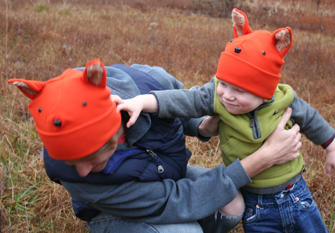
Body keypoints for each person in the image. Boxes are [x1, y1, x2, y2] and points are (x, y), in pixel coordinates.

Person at [115, 9, 335, 233]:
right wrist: (143, 102)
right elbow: (182, 100)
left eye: (239, 90)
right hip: (255, 203)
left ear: (265, 93)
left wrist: (332, 148)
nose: (227, 94)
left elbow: (312, 119)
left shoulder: (284, 98)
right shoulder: (216, 96)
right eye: (224, 83)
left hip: (296, 193)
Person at [8, 58, 302, 233]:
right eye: (74, 162)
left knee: (233, 206)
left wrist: (200, 124)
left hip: (164, 175)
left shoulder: (148, 83)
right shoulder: (77, 177)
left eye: (90, 158)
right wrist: (263, 158)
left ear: (117, 123)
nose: (82, 172)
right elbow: (174, 199)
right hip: (116, 208)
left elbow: (180, 105)